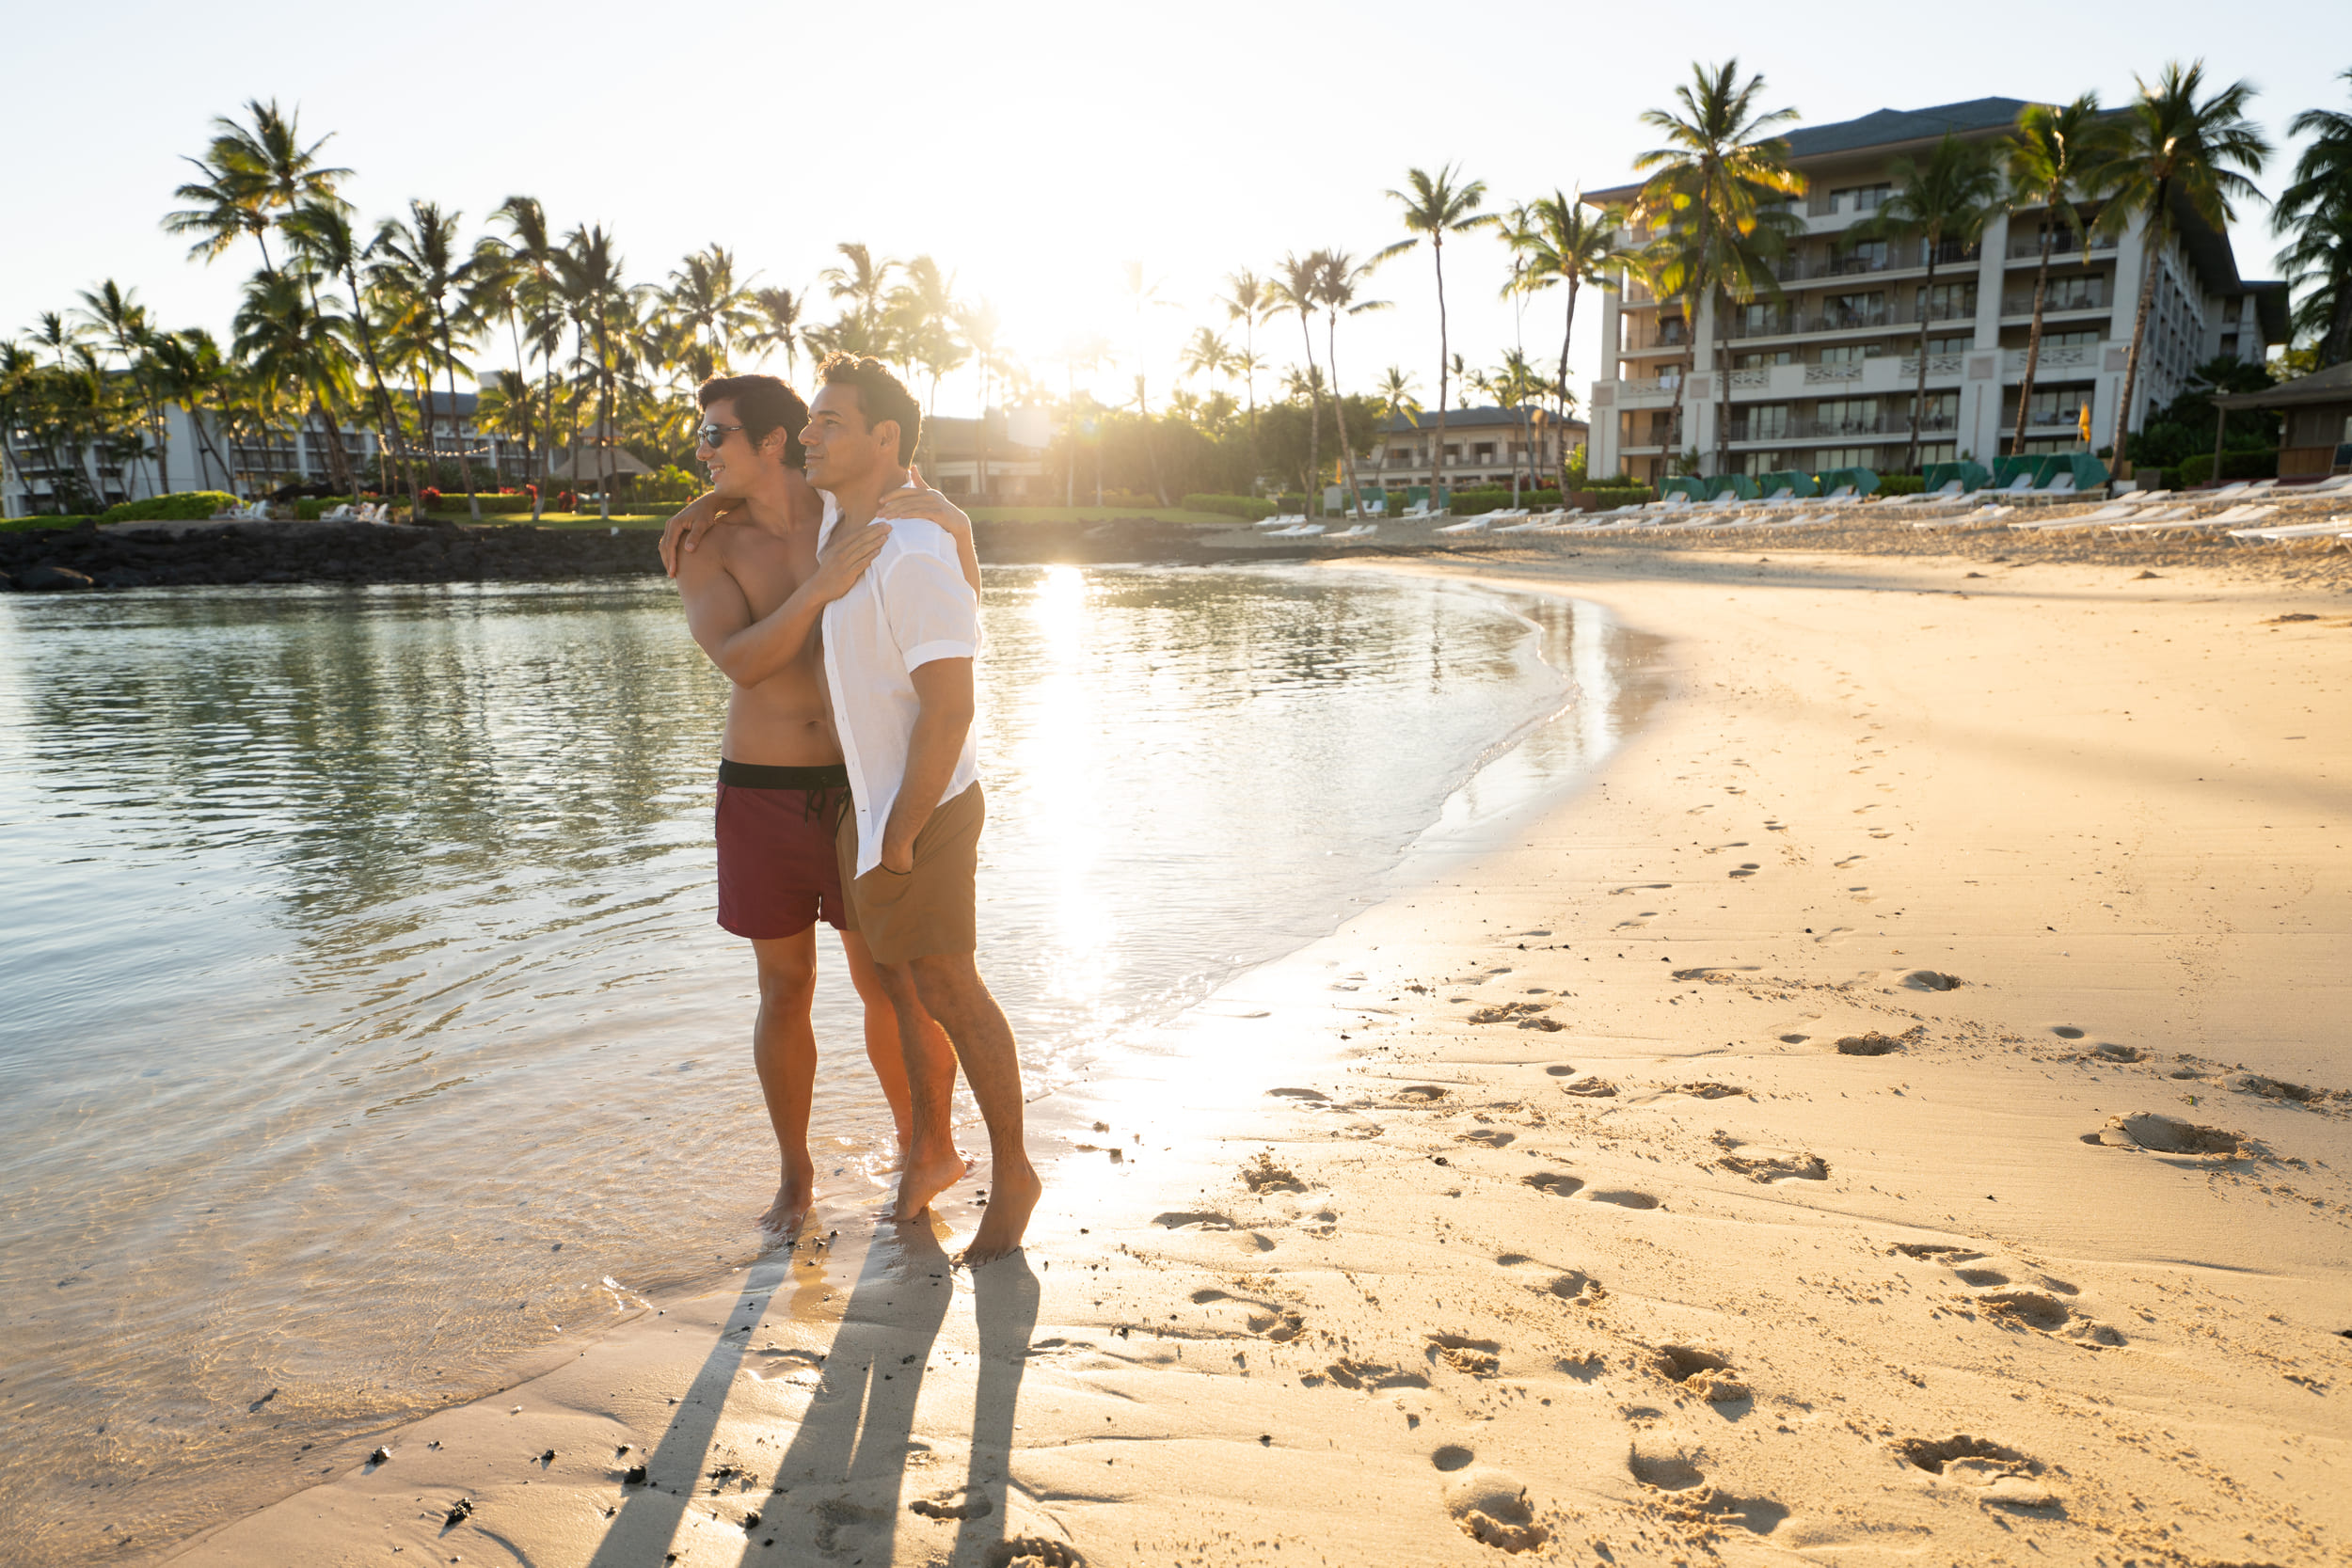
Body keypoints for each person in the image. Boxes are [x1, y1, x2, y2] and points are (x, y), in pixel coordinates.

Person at [666, 372, 967, 1241]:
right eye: (701, 438)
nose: (701, 449)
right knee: (784, 985)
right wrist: (818, 586)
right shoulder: (707, 548)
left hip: (853, 786)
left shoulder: (844, 504)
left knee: (887, 980)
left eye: (715, 435)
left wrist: (962, 522)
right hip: (761, 789)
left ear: (772, 443)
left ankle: (924, 1145)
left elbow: (932, 519)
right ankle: (796, 1175)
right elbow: (743, 660)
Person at [801, 352, 1039, 1267]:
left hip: (921, 804)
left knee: (948, 985)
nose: (809, 436)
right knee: (901, 984)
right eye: (809, 422)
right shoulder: (853, 526)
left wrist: (898, 830)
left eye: (829, 421)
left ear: (884, 437)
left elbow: (951, 704)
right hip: (872, 800)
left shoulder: (910, 547)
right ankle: (932, 1151)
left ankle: (1013, 1170)